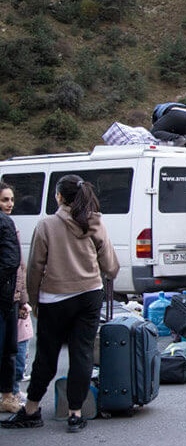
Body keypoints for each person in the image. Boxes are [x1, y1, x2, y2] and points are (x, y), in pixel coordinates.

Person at [3, 175, 119, 433]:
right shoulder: (93, 221)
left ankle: (31, 409)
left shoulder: (46, 225)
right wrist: (109, 272)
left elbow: (35, 267)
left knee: (47, 355)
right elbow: (109, 263)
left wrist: (32, 300)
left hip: (54, 298)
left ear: (58, 196)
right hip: (89, 294)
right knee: (82, 353)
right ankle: (76, 413)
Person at [0, 182, 26, 414]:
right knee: (8, 350)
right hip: (5, 298)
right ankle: (7, 396)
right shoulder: (5, 223)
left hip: (11, 296)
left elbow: (19, 268)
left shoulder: (8, 223)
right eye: (4, 200)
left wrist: (23, 299)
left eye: (11, 199)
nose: (9, 204)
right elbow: (12, 263)